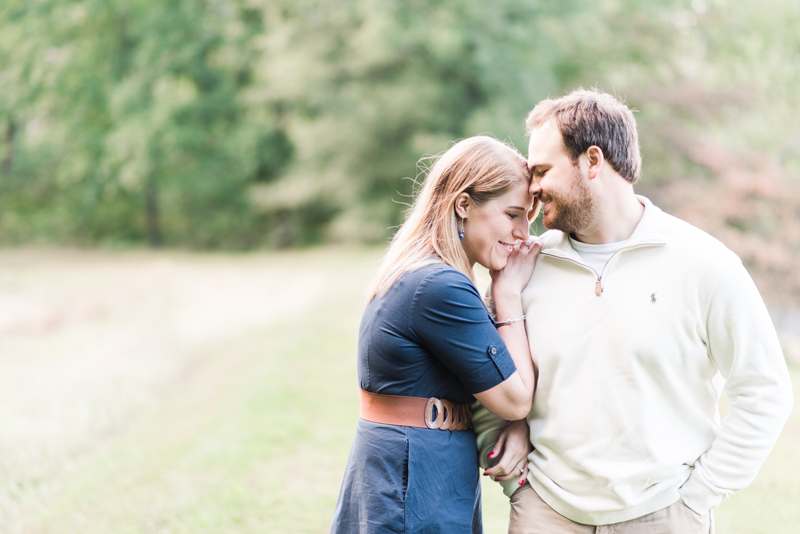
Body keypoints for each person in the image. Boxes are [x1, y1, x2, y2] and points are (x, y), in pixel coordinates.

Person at [477, 89, 794, 533]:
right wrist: (519, 488)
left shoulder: (705, 264)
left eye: (542, 171)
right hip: (545, 513)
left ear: (592, 161)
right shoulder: (521, 269)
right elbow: (485, 376)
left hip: (665, 515)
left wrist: (697, 498)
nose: (531, 188)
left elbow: (765, 391)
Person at [330, 136, 542, 533]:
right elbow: (514, 399)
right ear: (463, 204)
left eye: (529, 217)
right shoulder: (438, 286)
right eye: (513, 214)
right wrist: (508, 293)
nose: (524, 233)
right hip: (414, 476)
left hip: (418, 465)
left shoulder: (426, 272)